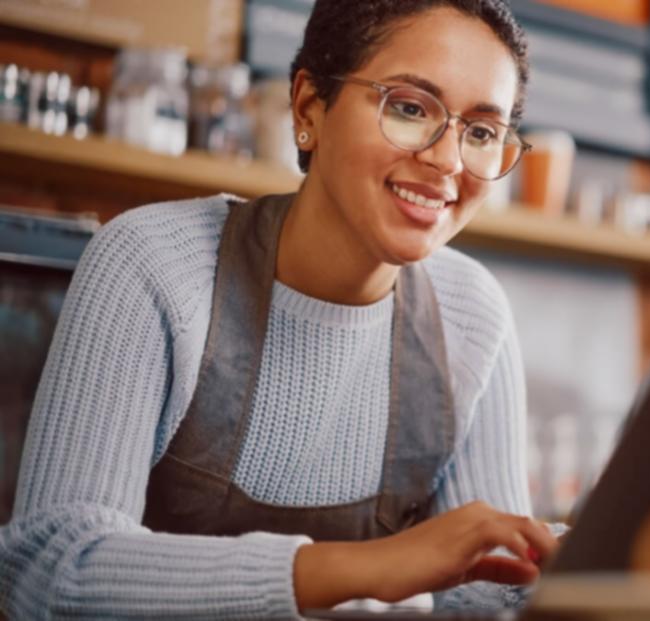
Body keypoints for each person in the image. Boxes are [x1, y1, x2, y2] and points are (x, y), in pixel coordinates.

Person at [0, 1, 563, 618]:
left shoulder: (472, 314)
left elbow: (481, 601)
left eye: (481, 131)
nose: (448, 161)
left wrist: (556, 568)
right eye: (408, 107)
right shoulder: (153, 263)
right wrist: (374, 568)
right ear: (307, 109)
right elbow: (48, 572)